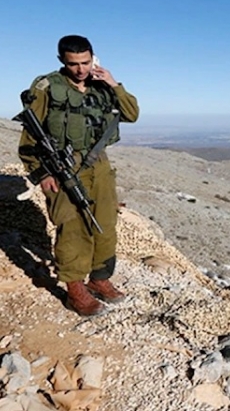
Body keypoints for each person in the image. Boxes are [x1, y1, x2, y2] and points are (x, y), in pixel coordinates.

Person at [18, 35, 140, 316]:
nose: (80, 69)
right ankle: (74, 290)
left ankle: (99, 279)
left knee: (106, 223)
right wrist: (41, 174)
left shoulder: (101, 86)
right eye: (74, 64)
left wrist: (112, 82)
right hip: (62, 167)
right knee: (73, 227)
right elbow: (29, 134)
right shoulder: (47, 87)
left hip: (99, 165)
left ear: (93, 58)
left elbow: (132, 114)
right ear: (62, 60)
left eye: (85, 62)